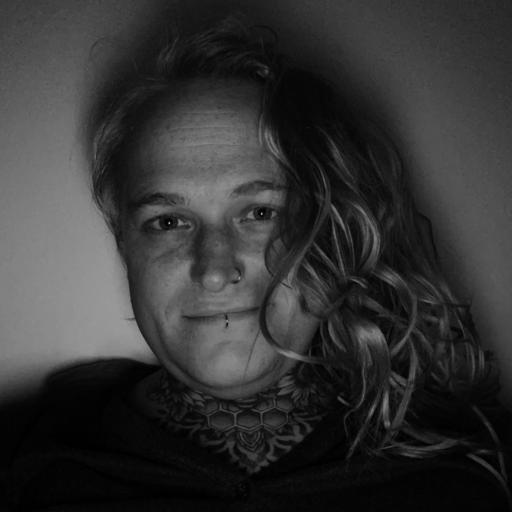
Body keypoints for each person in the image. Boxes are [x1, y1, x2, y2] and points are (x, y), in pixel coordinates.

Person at [1, 16, 510, 512]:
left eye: (260, 213)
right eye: (168, 222)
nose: (213, 270)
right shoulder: (26, 467)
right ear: (124, 246)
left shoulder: (474, 470)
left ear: (330, 233)